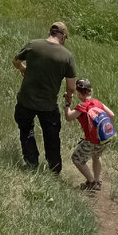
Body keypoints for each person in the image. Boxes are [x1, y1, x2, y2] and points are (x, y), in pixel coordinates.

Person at [13, 22, 77, 174]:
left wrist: (23, 69)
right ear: (64, 37)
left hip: (25, 101)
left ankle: (31, 163)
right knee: (52, 137)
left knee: (26, 131)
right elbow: (71, 87)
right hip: (48, 105)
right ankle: (54, 169)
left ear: (50, 33)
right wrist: (69, 97)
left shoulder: (33, 45)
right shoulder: (67, 56)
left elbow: (16, 60)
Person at [65, 77, 115, 192]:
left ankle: (91, 182)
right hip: (104, 138)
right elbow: (111, 115)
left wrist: (67, 105)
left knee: (77, 159)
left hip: (91, 140)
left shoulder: (82, 107)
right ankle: (97, 181)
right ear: (90, 91)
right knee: (96, 156)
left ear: (78, 93)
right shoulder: (97, 102)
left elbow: (68, 117)